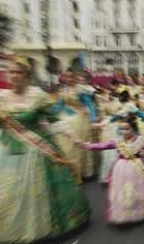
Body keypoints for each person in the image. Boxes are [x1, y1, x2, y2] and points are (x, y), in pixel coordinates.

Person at [0, 56, 90, 243]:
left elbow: (55, 121)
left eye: (19, 72)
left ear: (27, 75)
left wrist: (74, 139)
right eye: (11, 72)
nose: (14, 76)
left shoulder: (38, 96)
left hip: (38, 150)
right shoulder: (1, 97)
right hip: (8, 147)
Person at [81, 114, 144, 224]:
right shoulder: (117, 141)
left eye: (127, 129)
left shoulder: (141, 140)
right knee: (122, 190)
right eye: (122, 129)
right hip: (121, 169)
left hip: (138, 168)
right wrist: (89, 146)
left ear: (133, 128)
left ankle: (142, 210)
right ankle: (125, 213)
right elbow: (103, 145)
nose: (124, 132)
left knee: (140, 189)